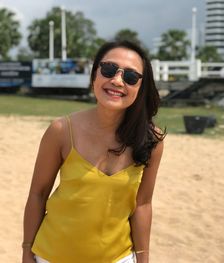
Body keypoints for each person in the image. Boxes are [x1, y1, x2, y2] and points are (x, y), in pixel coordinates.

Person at [22, 40, 166, 263]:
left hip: (119, 258)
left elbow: (143, 205)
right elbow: (38, 195)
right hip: (51, 256)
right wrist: (26, 251)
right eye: (108, 69)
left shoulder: (150, 140)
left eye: (130, 77)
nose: (117, 80)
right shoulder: (61, 131)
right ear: (94, 76)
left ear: (140, 87)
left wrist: (143, 259)